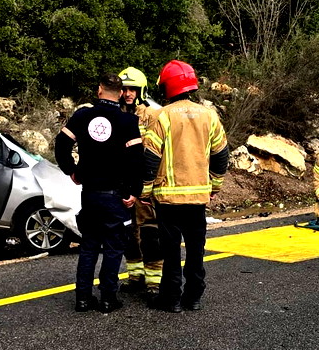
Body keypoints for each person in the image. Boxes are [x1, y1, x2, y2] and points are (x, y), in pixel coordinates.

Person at [143, 60, 229, 313]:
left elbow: (150, 158)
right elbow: (221, 153)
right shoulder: (209, 115)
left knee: (170, 253)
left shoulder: (163, 116)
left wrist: (145, 191)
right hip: (198, 199)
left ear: (167, 86)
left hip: (168, 200)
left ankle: (170, 299)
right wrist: (215, 185)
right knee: (195, 251)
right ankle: (193, 297)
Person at [54, 73, 145, 313]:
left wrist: (71, 171)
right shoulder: (128, 122)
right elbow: (137, 161)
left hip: (90, 193)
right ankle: (107, 299)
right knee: (114, 248)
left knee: (89, 246)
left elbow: (61, 144)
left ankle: (82, 298)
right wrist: (134, 191)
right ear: (121, 93)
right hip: (116, 195)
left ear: (99, 90)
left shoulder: (83, 116)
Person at [118, 66, 163, 298]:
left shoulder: (153, 116)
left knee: (150, 234)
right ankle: (135, 276)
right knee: (128, 234)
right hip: (124, 186)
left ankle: (154, 281)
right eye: (124, 89)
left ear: (141, 90)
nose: (128, 94)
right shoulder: (116, 115)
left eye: (132, 90)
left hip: (147, 187)